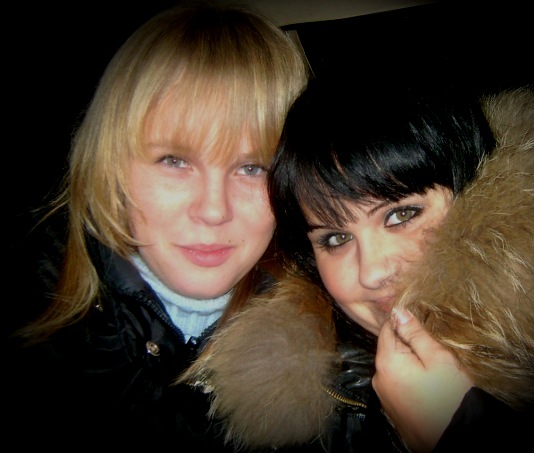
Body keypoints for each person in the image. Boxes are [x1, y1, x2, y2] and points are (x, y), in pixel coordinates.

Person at [180, 77, 534, 451]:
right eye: (335, 239)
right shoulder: (311, 402)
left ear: (477, 195)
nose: (373, 273)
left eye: (402, 214)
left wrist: (457, 429)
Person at [5, 1, 308, 448]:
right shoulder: (30, 317)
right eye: (174, 160)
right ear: (112, 165)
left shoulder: (344, 356)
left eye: (252, 168)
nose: (213, 210)